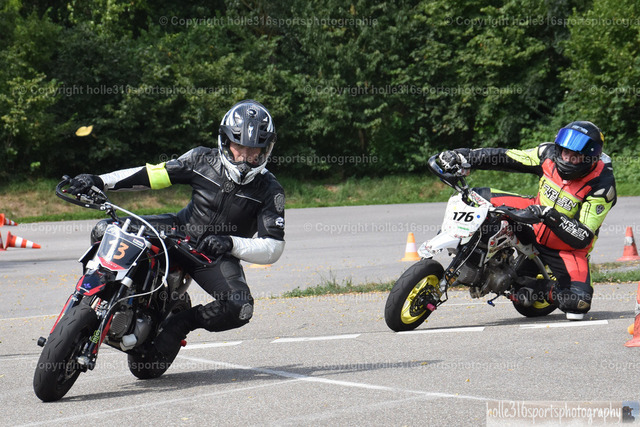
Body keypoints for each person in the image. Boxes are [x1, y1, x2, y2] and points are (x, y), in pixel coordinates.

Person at [67, 99, 286, 355]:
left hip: (214, 256)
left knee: (241, 308)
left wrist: (230, 243)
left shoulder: (270, 190)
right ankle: (94, 297)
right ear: (226, 141)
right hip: (177, 231)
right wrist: (99, 181)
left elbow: (273, 246)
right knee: (105, 230)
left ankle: (179, 323)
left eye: (255, 149)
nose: (246, 156)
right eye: (240, 146)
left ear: (266, 149)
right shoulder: (201, 158)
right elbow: (151, 174)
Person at [437, 121, 616, 320]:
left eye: (575, 156)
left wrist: (550, 215)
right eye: (565, 152)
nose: (567, 158)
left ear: (590, 159)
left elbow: (583, 236)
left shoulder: (602, 185)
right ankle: (461, 245)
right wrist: (464, 156)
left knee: (578, 302)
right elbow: (507, 157)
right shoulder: (547, 154)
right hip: (533, 217)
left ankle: (539, 287)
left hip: (566, 248)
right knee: (476, 197)